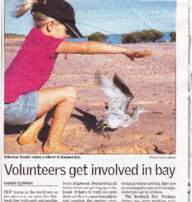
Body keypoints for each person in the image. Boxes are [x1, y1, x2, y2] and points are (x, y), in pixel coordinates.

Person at [5, 0, 151, 154]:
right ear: (50, 26)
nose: (67, 35)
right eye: (66, 30)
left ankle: (29, 135)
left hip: (7, 102)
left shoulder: (35, 35)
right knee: (69, 93)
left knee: (51, 96)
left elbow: (48, 47)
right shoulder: (47, 43)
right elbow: (86, 47)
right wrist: (124, 51)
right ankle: (52, 144)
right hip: (13, 108)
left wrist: (62, 48)